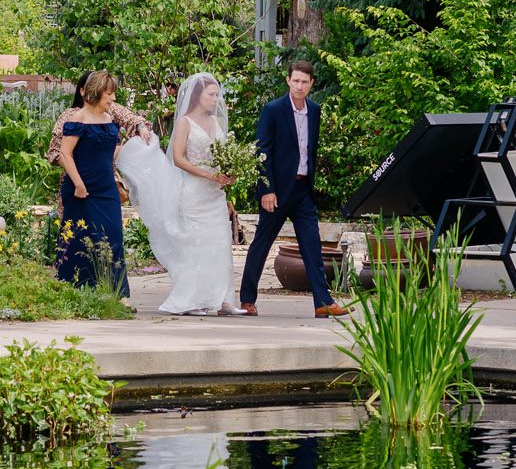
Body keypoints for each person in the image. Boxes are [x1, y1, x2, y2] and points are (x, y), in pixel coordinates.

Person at [118, 72, 242, 315]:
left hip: (215, 193)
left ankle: (224, 299)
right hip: (194, 192)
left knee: (220, 243)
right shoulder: (185, 122)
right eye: (211, 95)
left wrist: (230, 171)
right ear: (198, 96)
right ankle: (193, 300)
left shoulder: (216, 123)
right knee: (196, 245)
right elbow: (178, 158)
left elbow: (223, 155)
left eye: (217, 95)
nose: (216, 99)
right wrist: (207, 175)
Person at [239, 59, 346, 318]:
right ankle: (246, 299)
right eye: (295, 80)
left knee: (311, 245)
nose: (299, 86)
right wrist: (266, 189)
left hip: (302, 191)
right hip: (276, 192)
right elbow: (261, 151)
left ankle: (322, 302)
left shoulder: (315, 110)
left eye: (304, 82)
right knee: (262, 244)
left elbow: (310, 149)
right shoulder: (273, 110)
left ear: (311, 84)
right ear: (288, 80)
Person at [55, 68, 129, 295]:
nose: (113, 98)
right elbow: (64, 154)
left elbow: (109, 152)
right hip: (81, 189)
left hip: (106, 187)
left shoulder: (109, 120)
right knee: (81, 239)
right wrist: (78, 184)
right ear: (97, 93)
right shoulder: (77, 119)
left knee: (113, 235)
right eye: (109, 94)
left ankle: (117, 293)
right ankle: (75, 290)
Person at [47, 74, 151, 163]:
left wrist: (141, 127)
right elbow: (55, 152)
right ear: (82, 91)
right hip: (78, 177)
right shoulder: (70, 116)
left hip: (107, 176)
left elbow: (130, 118)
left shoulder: (110, 109)